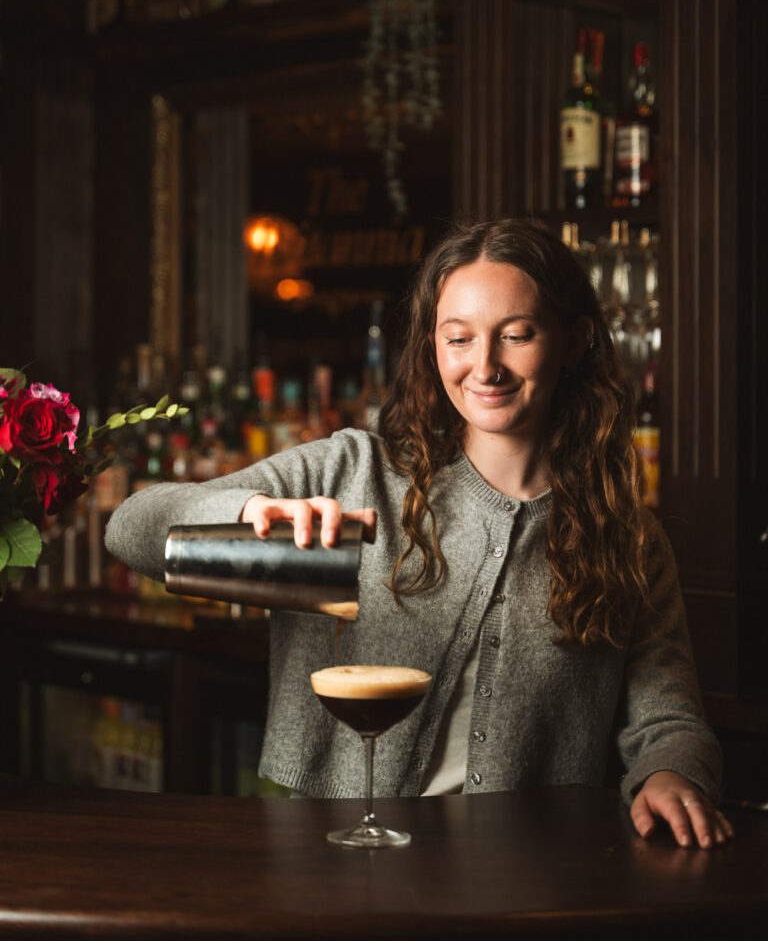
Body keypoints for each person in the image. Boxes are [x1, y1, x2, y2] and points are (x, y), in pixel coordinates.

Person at [106, 216, 732, 849]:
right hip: (329, 851)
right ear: (431, 346)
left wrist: (672, 774)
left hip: (527, 865)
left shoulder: (627, 535)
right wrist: (249, 511)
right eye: (458, 339)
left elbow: (669, 719)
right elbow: (130, 527)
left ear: (573, 342)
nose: (484, 366)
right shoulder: (350, 470)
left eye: (516, 335)